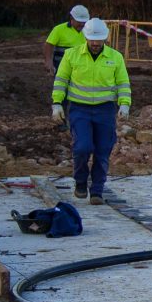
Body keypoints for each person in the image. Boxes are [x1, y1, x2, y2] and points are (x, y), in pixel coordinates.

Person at [50, 18, 130, 203]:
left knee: (103, 151)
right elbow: (61, 80)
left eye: (99, 40)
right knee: (82, 147)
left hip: (105, 110)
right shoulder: (72, 55)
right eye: (92, 40)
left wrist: (124, 104)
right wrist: (56, 104)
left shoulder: (115, 57)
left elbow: (123, 83)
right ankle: (80, 181)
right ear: (86, 37)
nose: (95, 44)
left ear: (105, 39)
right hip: (80, 109)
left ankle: (96, 191)